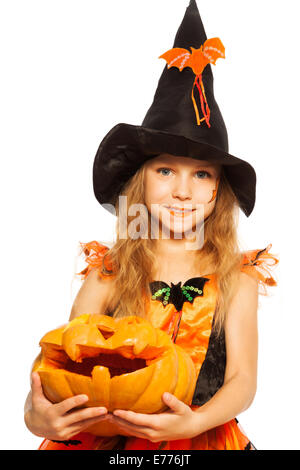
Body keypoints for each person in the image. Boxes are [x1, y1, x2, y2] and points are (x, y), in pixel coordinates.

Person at [24, 1, 279, 451]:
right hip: (106, 439)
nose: (183, 191)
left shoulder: (236, 277)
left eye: (202, 174)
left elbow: (242, 381)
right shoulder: (109, 270)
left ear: (217, 191)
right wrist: (34, 410)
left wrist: (190, 425)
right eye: (166, 171)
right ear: (141, 182)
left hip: (200, 436)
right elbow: (63, 360)